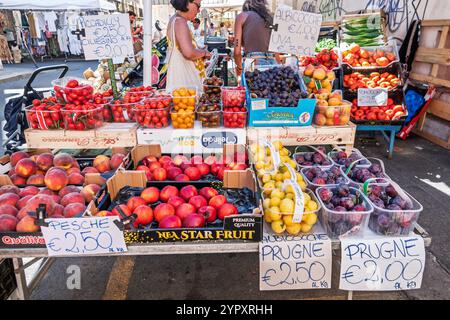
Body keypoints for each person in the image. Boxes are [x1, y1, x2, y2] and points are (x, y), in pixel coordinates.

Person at [166, 0, 211, 93]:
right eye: (198, 6)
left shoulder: (176, 20)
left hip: (182, 83)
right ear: (187, 2)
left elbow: (183, 48)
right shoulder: (180, 22)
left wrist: (198, 50)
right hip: (184, 85)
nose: (199, 11)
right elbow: (188, 53)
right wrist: (204, 53)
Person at [233, 0, 275, 77]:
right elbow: (276, 50)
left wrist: (239, 67)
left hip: (253, 62)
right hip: (273, 62)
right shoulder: (270, 18)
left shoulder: (242, 16)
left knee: (252, 87)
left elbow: (237, 51)